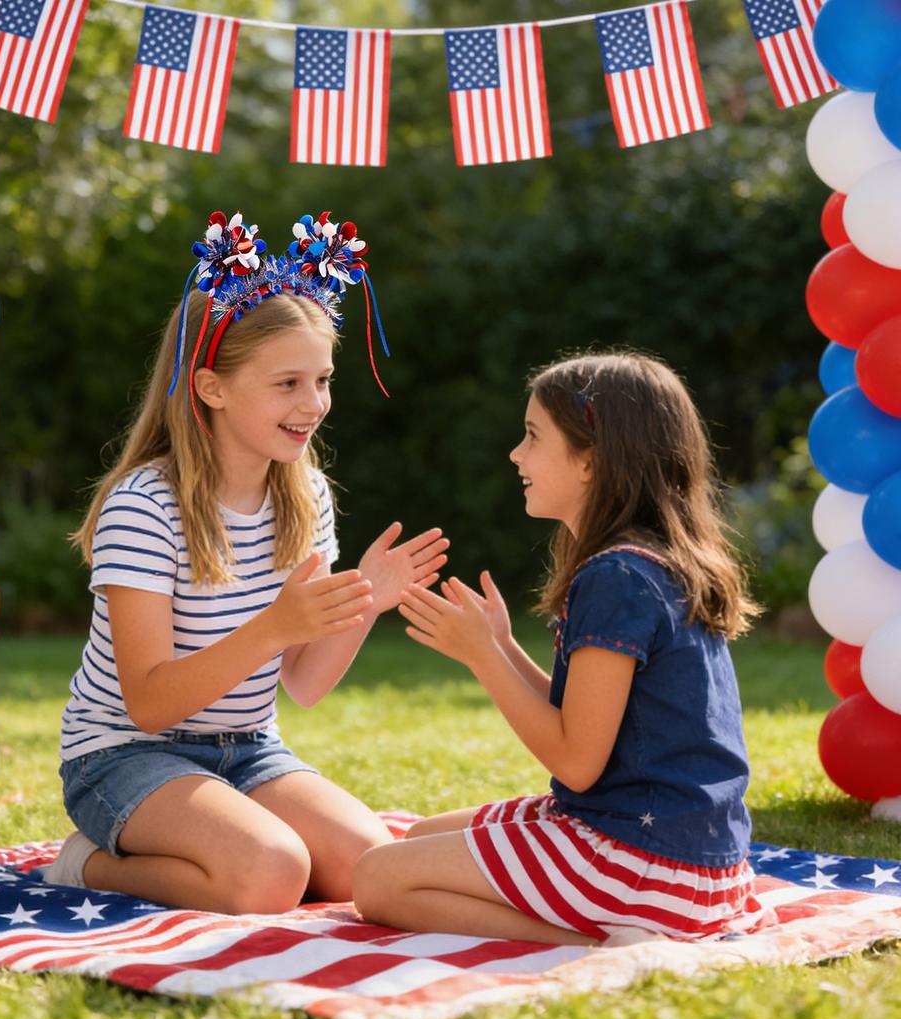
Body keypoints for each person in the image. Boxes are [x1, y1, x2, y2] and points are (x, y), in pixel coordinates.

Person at [43, 210, 448, 914]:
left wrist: (365, 606)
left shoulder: (306, 493)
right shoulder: (144, 506)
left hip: (249, 748)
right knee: (270, 873)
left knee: (369, 869)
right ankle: (88, 864)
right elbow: (150, 701)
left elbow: (305, 684)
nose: (315, 403)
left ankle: (222, 838)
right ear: (211, 387)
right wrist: (274, 626)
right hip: (121, 754)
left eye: (322, 379)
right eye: (287, 383)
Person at [353, 351, 768, 945]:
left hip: (643, 864)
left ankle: (608, 945)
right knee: (415, 841)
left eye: (531, 437)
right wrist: (503, 646)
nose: (515, 455)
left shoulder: (616, 577)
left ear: (591, 460)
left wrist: (483, 657)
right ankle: (622, 928)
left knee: (377, 881)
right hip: (692, 861)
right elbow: (596, 723)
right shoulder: (649, 564)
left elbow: (575, 761)